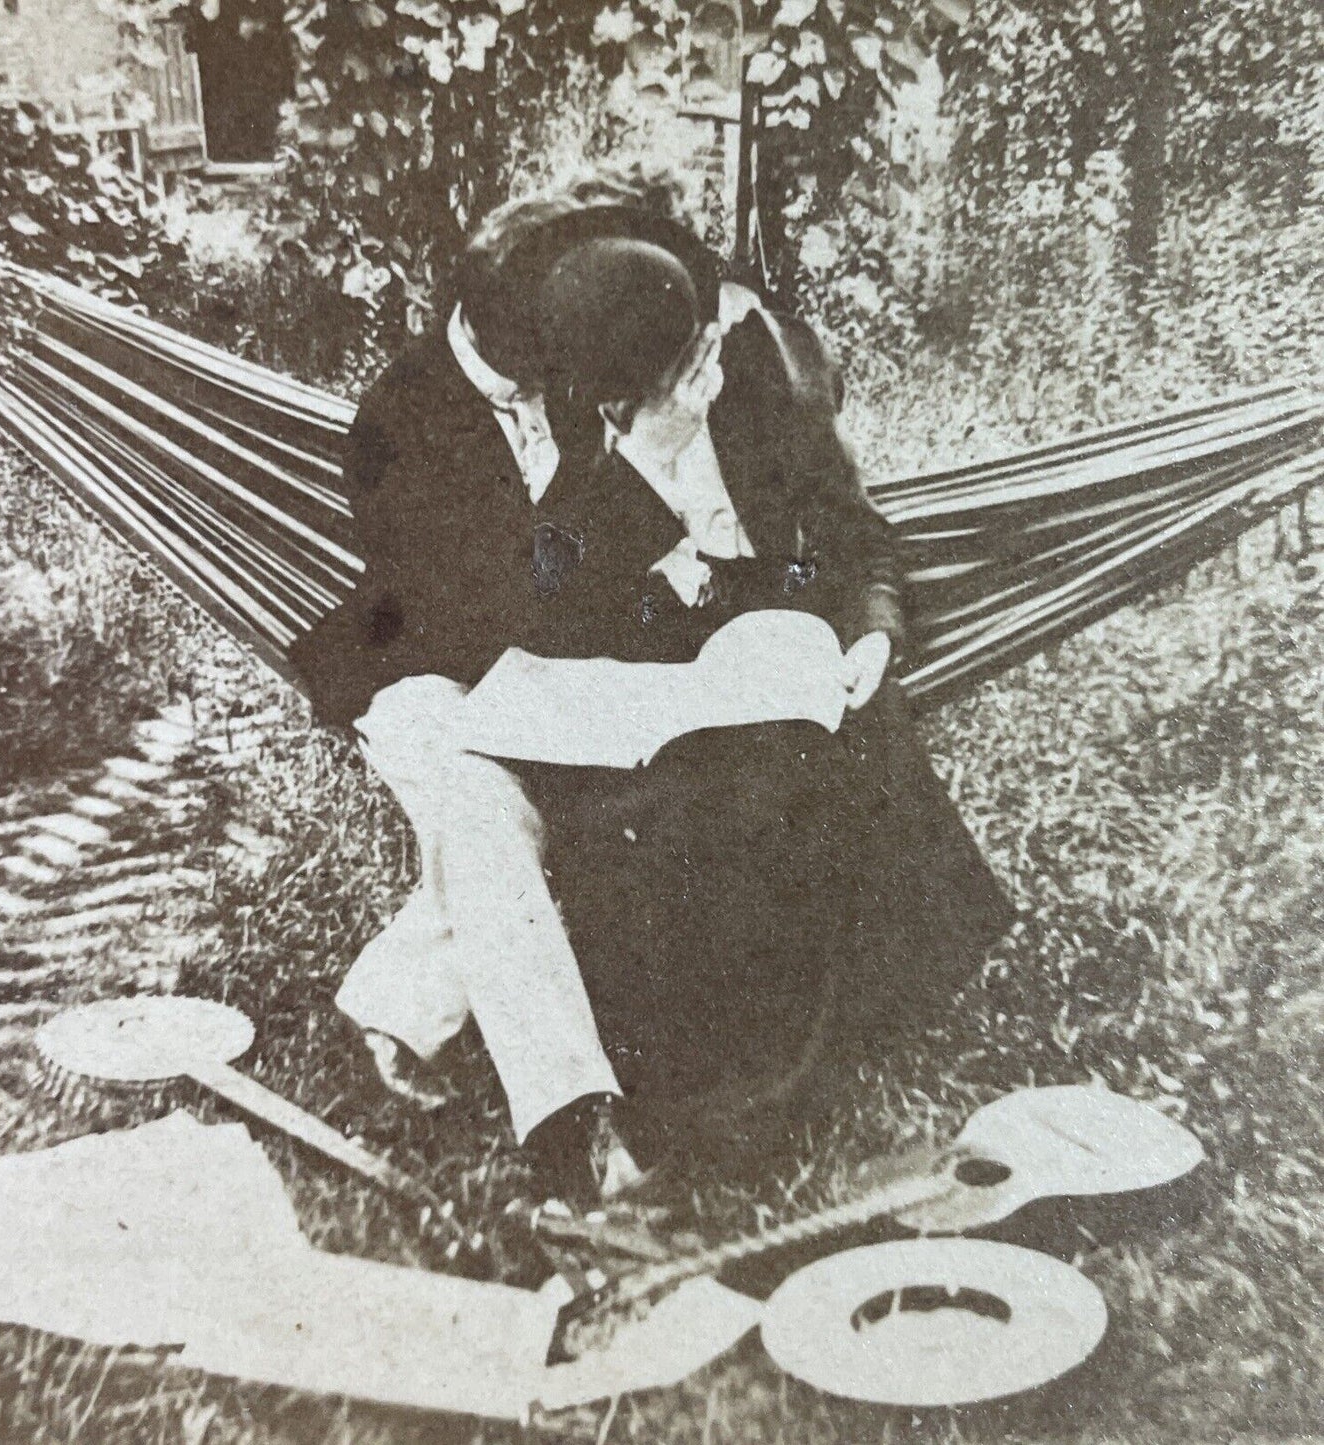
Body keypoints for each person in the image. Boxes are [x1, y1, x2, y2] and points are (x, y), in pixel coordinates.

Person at [289, 175, 1013, 1202]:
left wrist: (777, 616)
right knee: (483, 808)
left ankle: (413, 990)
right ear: (495, 322)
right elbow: (495, 617)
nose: (558, 388)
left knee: (699, 753)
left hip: (570, 658)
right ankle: (570, 1120)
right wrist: (644, 473)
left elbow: (611, 582)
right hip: (427, 661)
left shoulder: (587, 354)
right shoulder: (395, 421)